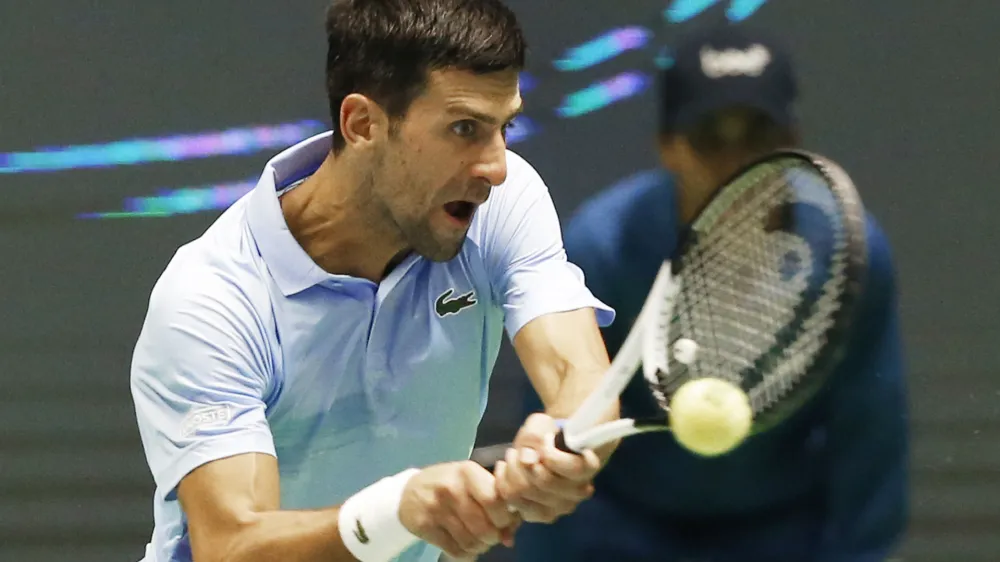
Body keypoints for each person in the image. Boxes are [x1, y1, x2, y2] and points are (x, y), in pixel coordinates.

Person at [128, 2, 621, 561]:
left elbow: (576, 372)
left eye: (503, 127)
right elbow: (234, 545)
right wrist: (395, 509)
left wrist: (564, 442)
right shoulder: (211, 300)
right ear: (362, 124)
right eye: (465, 128)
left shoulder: (500, 205)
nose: (496, 166)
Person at [515, 23, 909, 562]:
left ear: (791, 140)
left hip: (781, 532)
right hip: (625, 528)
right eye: (709, 137)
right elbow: (557, 428)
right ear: (668, 148)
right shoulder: (602, 247)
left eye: (757, 134)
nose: (736, 159)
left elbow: (871, 438)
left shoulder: (849, 252)